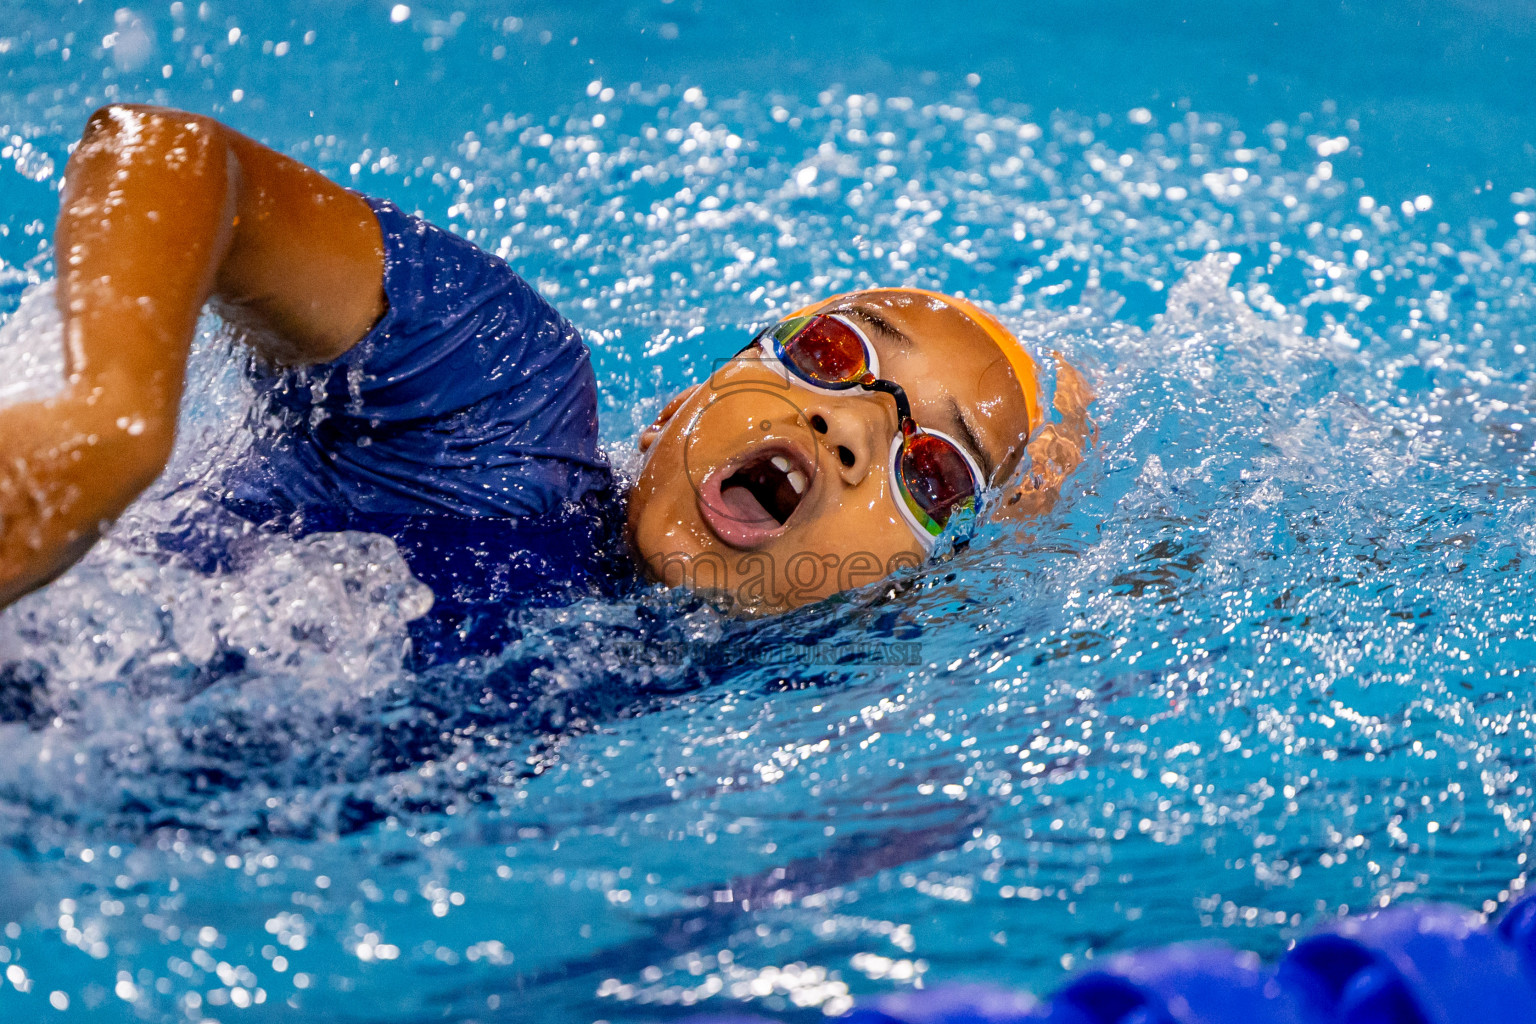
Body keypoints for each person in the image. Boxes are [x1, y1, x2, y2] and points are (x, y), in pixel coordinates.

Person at [0, 105, 1093, 644]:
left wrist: (1014, 556)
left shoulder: (760, 694)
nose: (854, 431)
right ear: (683, 404)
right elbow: (167, 154)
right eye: (832, 356)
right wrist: (108, 412)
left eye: (932, 472)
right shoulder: (497, 403)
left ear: (899, 585)